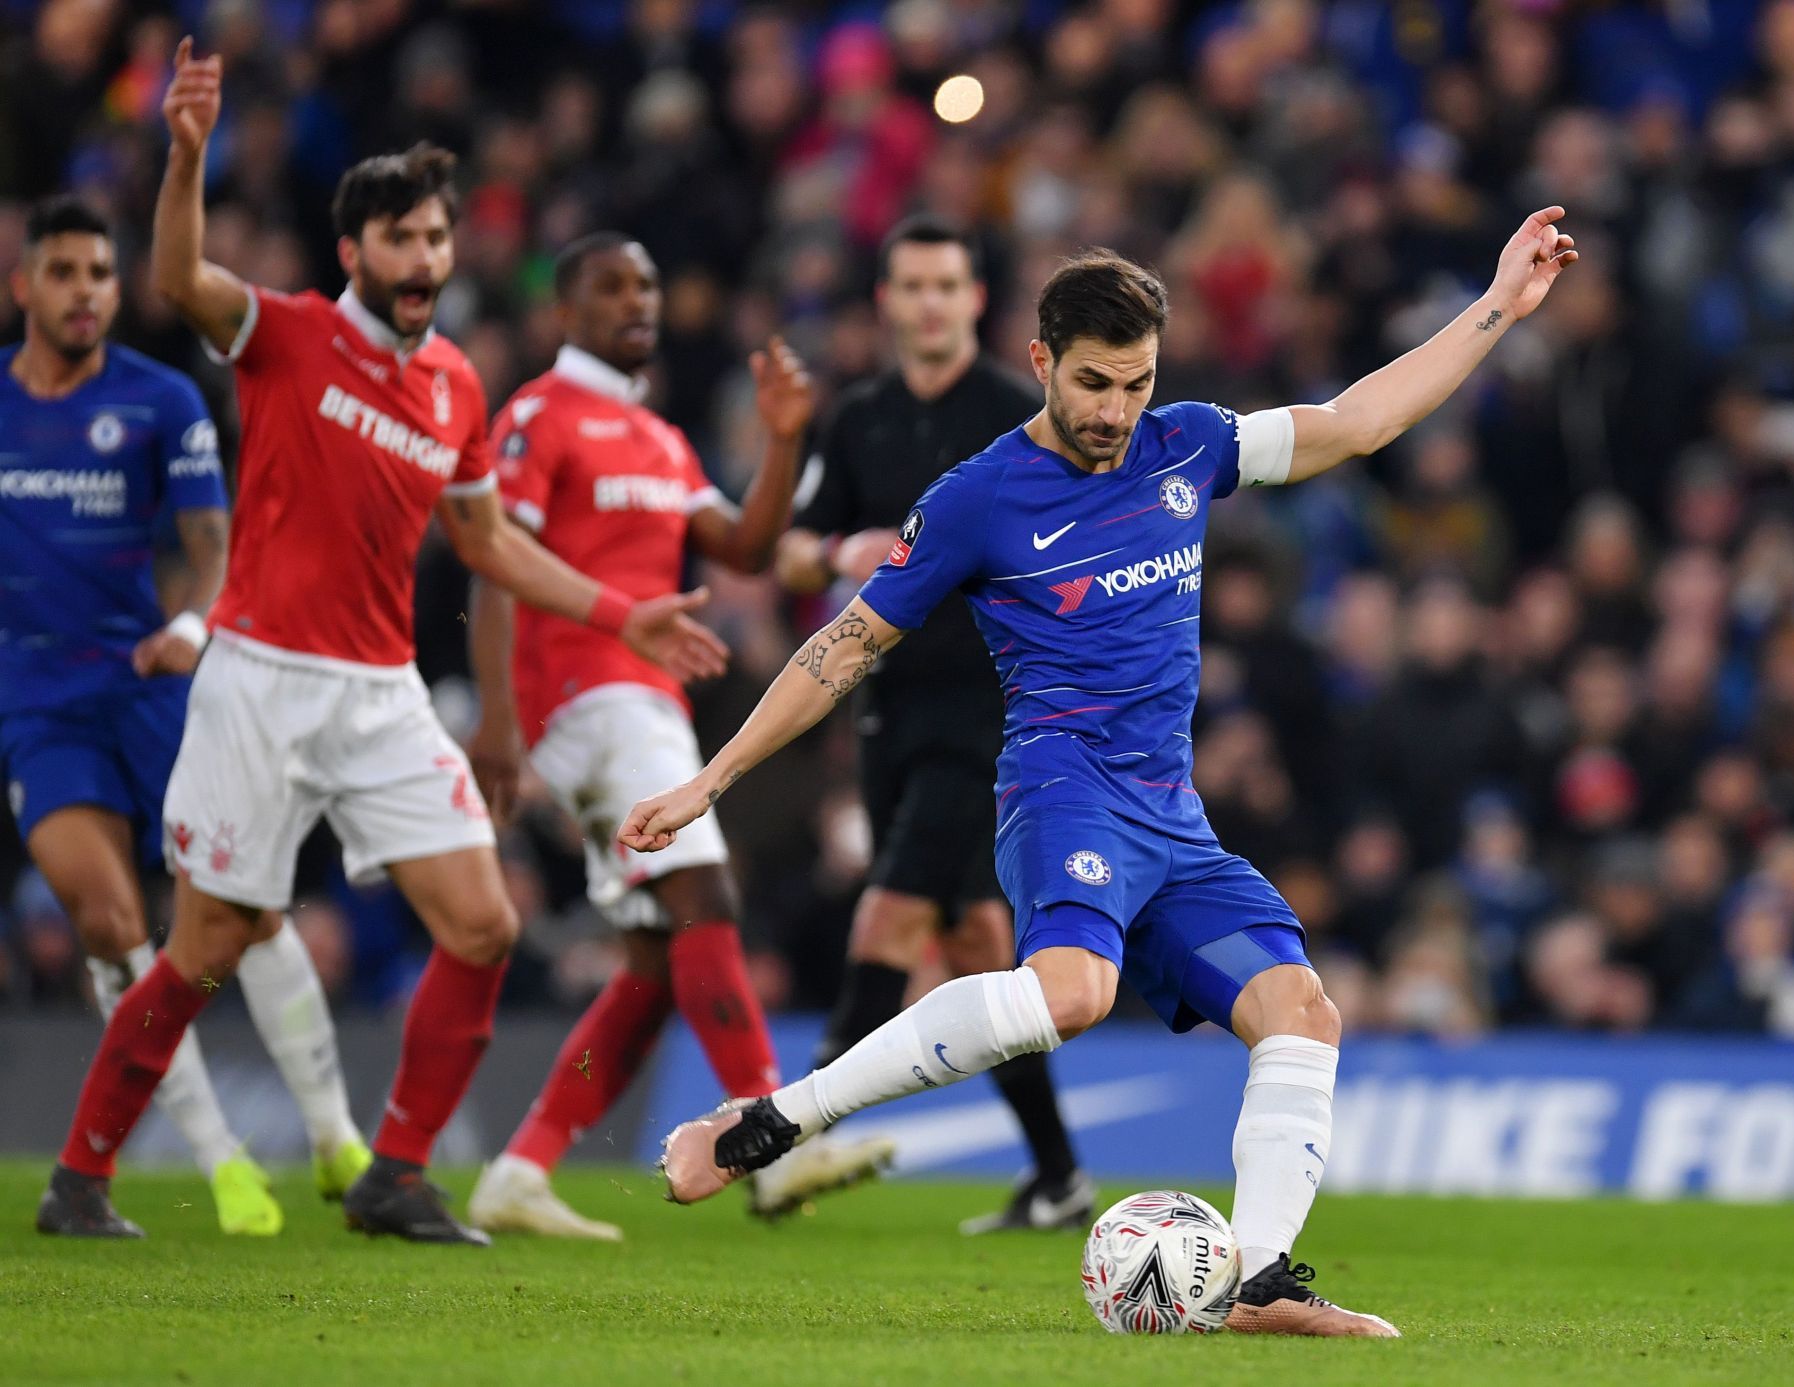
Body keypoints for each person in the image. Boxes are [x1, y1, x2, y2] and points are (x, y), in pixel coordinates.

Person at [626, 208, 1580, 1335]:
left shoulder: (1186, 444)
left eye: (1136, 383)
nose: (1116, 413)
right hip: (1059, 788)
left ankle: (1256, 1281)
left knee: (1303, 1012)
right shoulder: (977, 498)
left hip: (1172, 818)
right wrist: (713, 780)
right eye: (1094, 385)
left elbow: (1358, 421)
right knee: (1070, 995)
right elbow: (842, 647)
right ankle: (771, 1124)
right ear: (1040, 362)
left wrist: (1497, 309)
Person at [36, 40, 726, 1245]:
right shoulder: (287, 334)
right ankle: (80, 1174)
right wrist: (187, 153)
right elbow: (179, 272)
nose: (424, 261)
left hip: (381, 692)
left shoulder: (457, 384)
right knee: (201, 948)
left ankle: (394, 1174)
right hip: (258, 681)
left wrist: (626, 613)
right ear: (355, 253)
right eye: (400, 240)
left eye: (437, 240)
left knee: (485, 923)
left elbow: (493, 543)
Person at [462, 233, 892, 1238]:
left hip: (645, 698)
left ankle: (521, 1168)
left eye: (649, 286)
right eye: (612, 286)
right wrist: (493, 718)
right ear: (563, 309)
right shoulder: (536, 415)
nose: (637, 302)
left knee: (659, 959)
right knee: (706, 890)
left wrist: (785, 440)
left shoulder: (658, 438)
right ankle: (768, 1133)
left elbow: (743, 547)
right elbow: (492, 556)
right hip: (582, 694)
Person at [5, 195, 367, 1237]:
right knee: (111, 919)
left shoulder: (161, 401)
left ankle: (337, 1135)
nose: (86, 291)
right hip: (38, 701)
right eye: (64, 272)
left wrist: (196, 618)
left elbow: (214, 541)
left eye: (101, 273)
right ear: (24, 285)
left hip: (156, 681)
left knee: (244, 910)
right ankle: (220, 1160)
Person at [775, 214, 1089, 1233]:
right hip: (892, 712)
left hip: (997, 713)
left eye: (946, 286)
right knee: (973, 946)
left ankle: (786, 1139)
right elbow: (786, 552)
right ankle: (1058, 1177)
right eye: (911, 285)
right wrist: (836, 558)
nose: (929, 303)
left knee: (892, 914)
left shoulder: (1021, 417)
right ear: (886, 300)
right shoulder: (857, 420)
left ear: (974, 299)